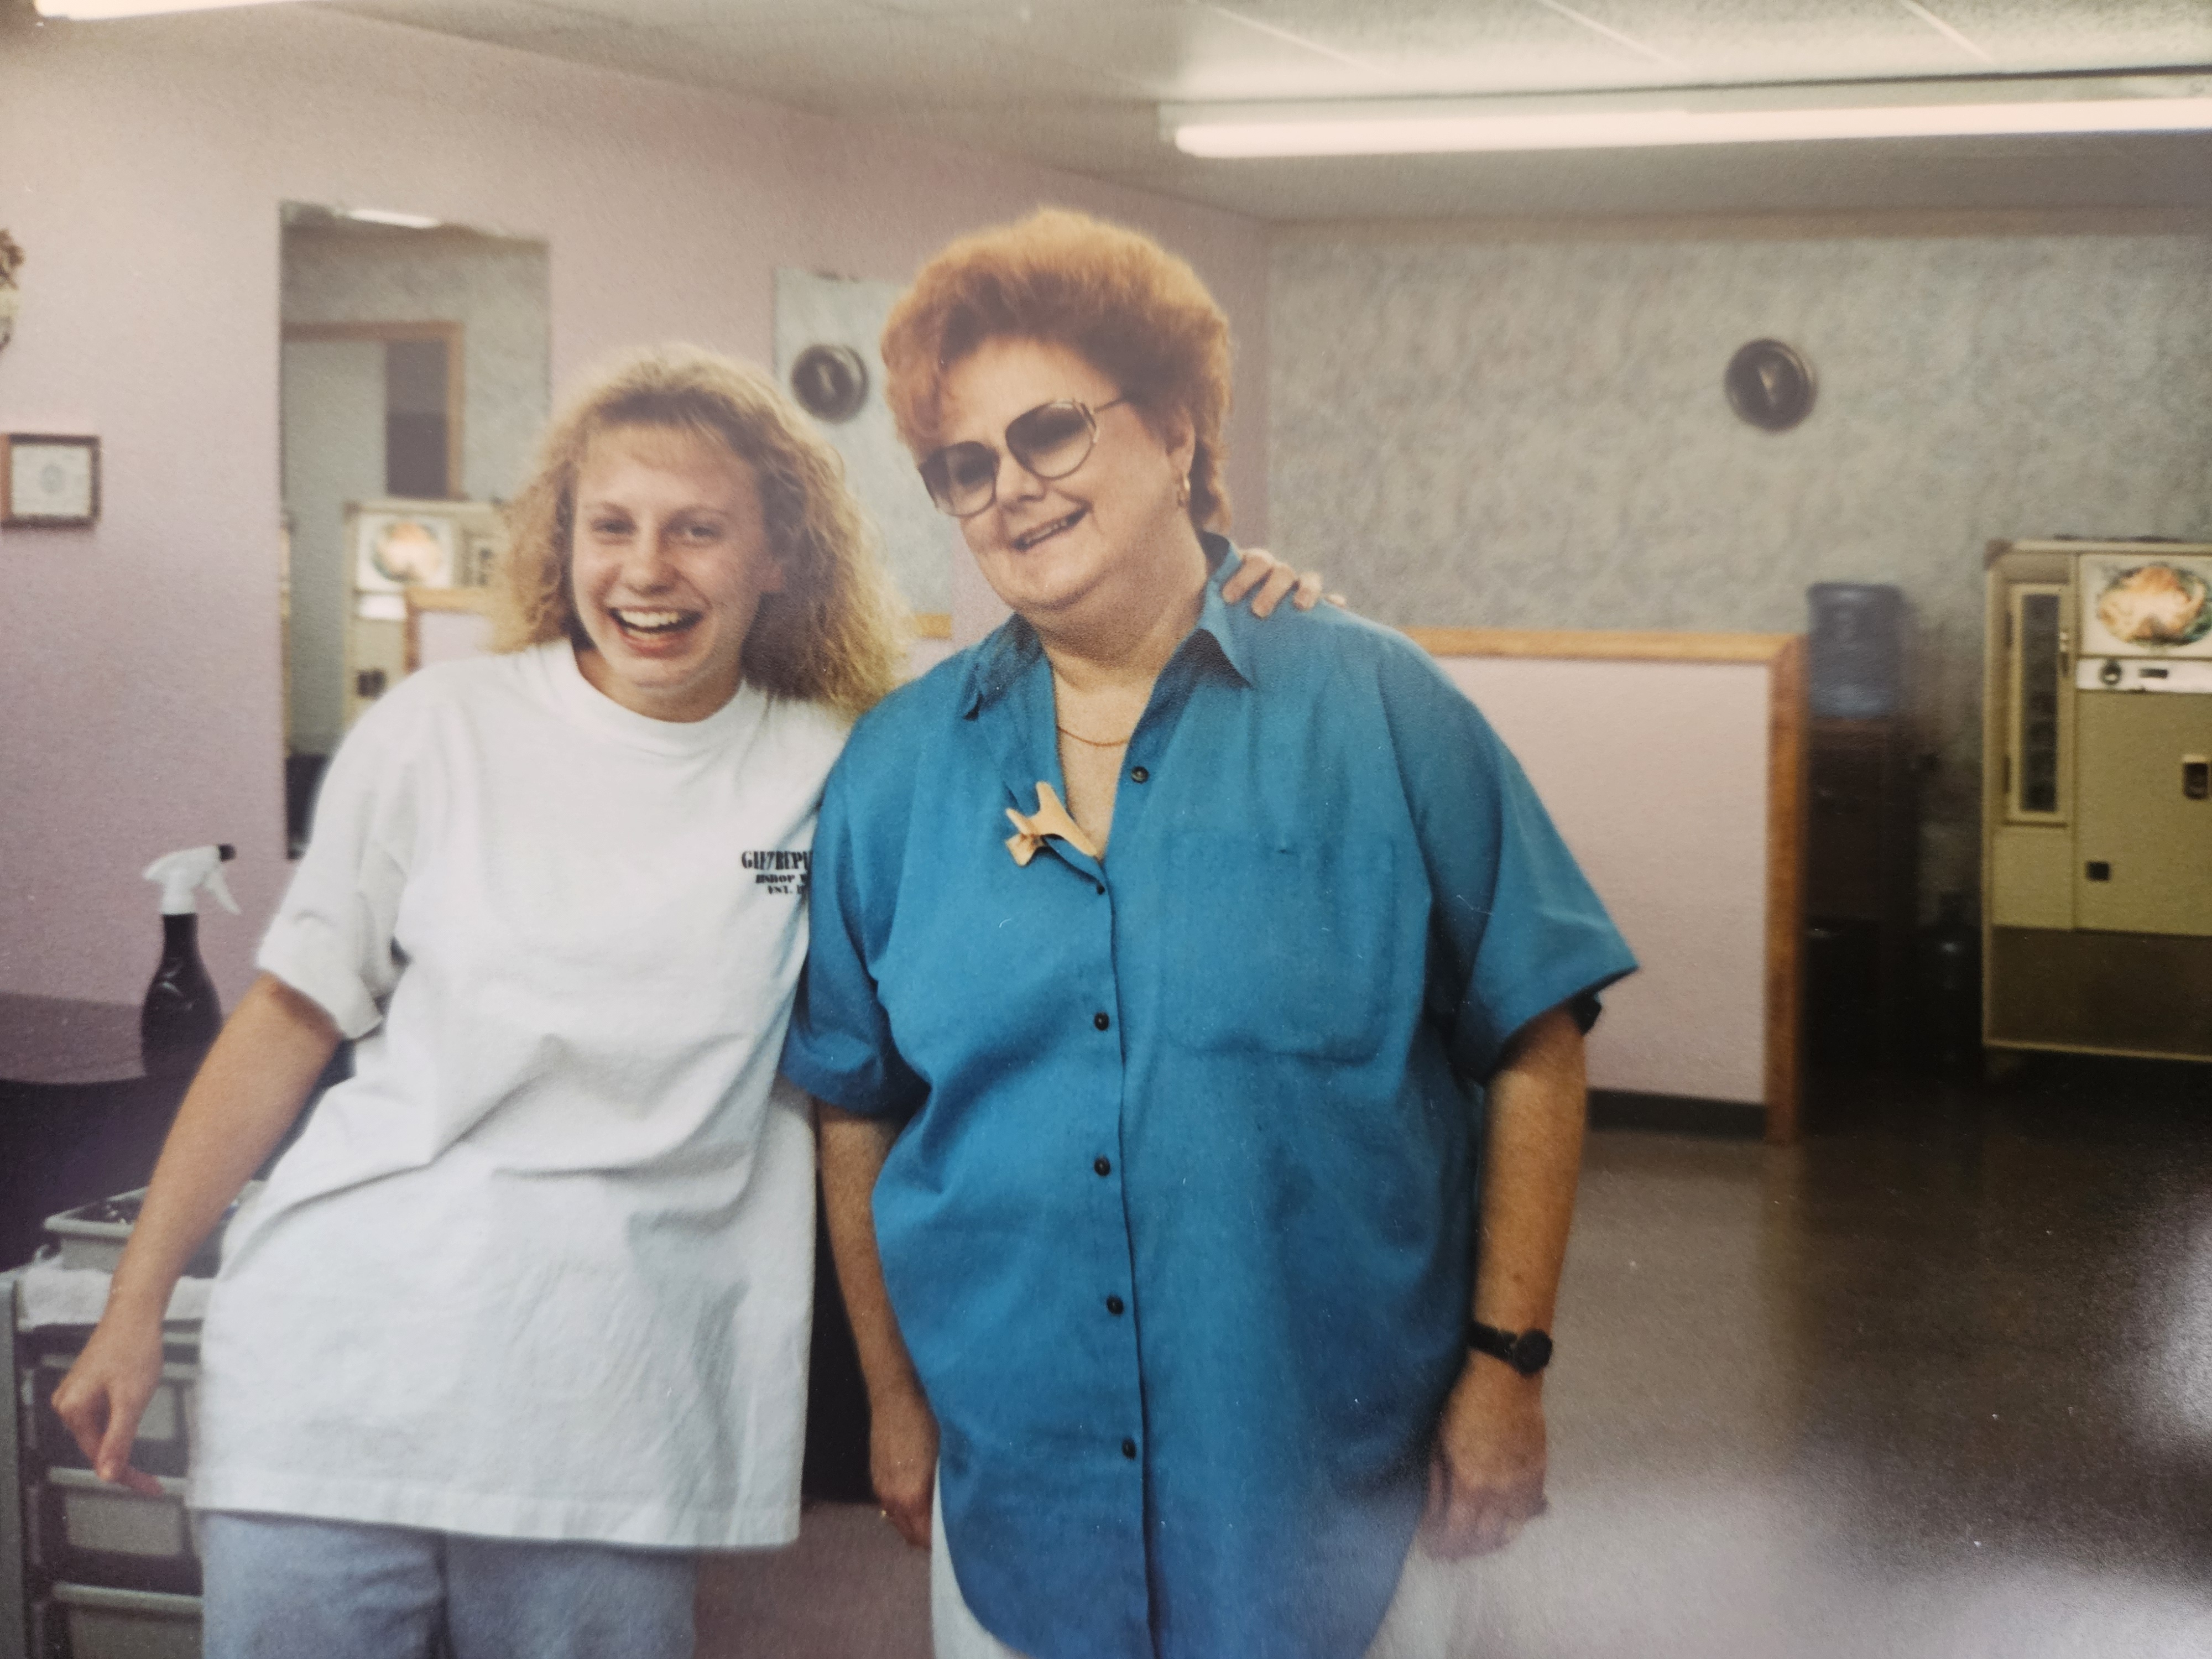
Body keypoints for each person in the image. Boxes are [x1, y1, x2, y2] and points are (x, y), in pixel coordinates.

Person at [50, 339, 1324, 1659]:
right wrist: (135, 1306)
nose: (646, 570)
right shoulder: (440, 729)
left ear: (779, 555)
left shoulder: (836, 765)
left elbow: (1078, 722)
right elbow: (287, 1020)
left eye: (697, 530)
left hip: (620, 1400)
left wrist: (1241, 610)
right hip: (341, 1369)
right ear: (563, 544)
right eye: (610, 527)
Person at [783, 209, 1640, 1659]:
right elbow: (856, 1107)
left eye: (1048, 431)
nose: (1009, 490)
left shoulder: (1379, 711)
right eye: (965, 464)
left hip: (1330, 1488)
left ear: (1176, 429)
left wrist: (1508, 1369)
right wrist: (892, 1397)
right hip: (1021, 1490)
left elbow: (1535, 1040)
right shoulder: (900, 767)